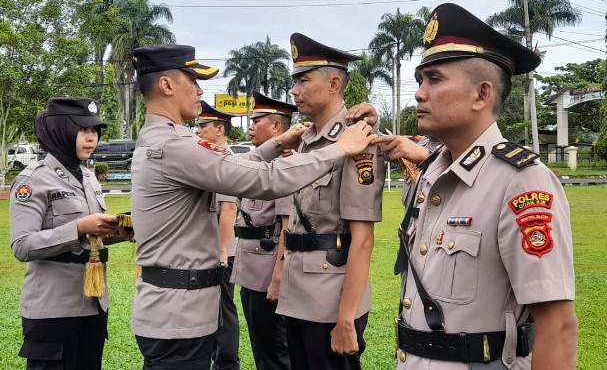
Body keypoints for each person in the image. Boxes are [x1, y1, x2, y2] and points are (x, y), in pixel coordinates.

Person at [129, 44, 376, 369]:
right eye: (193, 80)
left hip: (179, 309)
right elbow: (261, 180)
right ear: (167, 85)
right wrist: (339, 149)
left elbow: (234, 165)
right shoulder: (175, 145)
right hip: (178, 313)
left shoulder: (168, 140)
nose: (200, 91)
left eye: (304, 80)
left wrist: (276, 144)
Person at [390, 3, 577, 370]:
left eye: (435, 79)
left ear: (481, 94)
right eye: (419, 81)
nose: (419, 94)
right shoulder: (431, 172)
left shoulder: (520, 181)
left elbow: (558, 325)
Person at [274, 33, 386, 370]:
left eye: (303, 80)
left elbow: (362, 239)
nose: (294, 90)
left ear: (334, 82)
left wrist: (347, 318)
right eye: (294, 81)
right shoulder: (306, 140)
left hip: (330, 300)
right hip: (297, 293)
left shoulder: (357, 141)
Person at [10, 97, 130, 370]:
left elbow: (93, 236)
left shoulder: (88, 176)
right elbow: (22, 246)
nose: (91, 138)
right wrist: (77, 228)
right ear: (61, 130)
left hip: (93, 303)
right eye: (83, 130)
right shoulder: (34, 179)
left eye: (95, 131)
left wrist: (121, 230)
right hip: (53, 309)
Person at [230, 92, 296, 370]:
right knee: (262, 348)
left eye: (258, 120)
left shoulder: (285, 166)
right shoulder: (258, 165)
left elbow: (286, 225)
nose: (251, 126)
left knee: (275, 353)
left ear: (277, 128)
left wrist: (278, 279)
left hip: (268, 273)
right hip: (251, 270)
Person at [195, 100, 241, 370]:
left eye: (203, 125)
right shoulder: (210, 157)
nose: (198, 130)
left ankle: (226, 363)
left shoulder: (224, 160)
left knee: (223, 309)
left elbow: (228, 209)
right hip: (210, 247)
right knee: (211, 307)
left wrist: (223, 250)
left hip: (222, 249)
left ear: (219, 129)